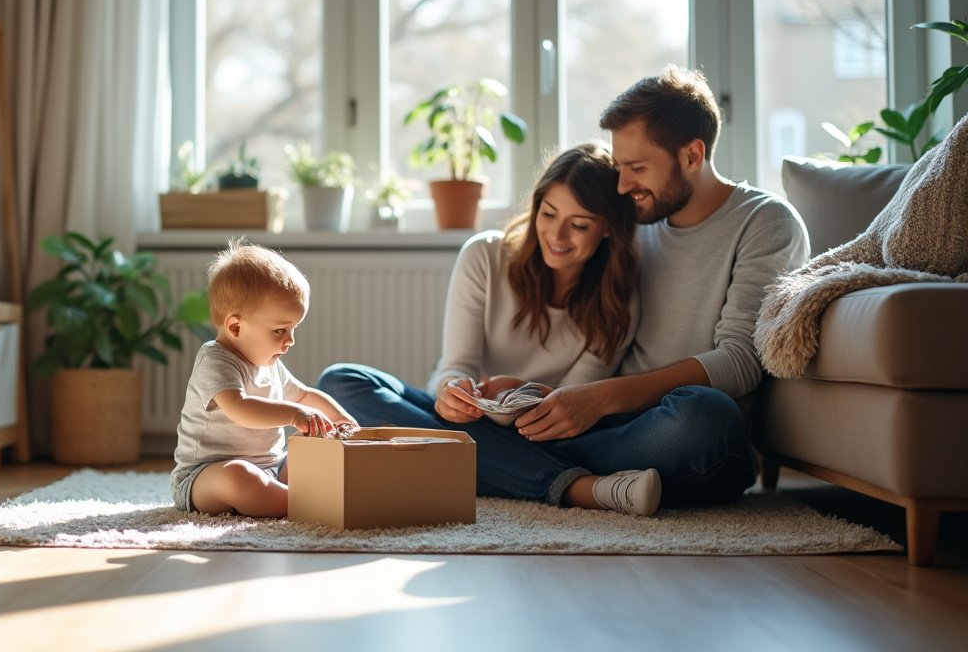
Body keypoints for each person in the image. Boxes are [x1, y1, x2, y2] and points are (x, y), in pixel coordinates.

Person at [319, 65, 809, 516]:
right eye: (619, 167)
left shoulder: (763, 223)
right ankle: (575, 484)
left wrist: (596, 399)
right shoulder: (635, 222)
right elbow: (523, 379)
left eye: (636, 167)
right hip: (589, 433)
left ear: (693, 155)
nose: (621, 186)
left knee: (703, 417)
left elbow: (741, 361)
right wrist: (530, 399)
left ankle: (489, 467)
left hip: (660, 435)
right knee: (344, 385)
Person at [319, 142, 662, 514]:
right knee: (341, 383)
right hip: (464, 423)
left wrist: (519, 394)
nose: (557, 236)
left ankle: (462, 469)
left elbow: (574, 405)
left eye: (579, 225)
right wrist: (453, 395)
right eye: (548, 214)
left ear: (609, 229)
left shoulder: (618, 297)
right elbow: (456, 365)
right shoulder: (484, 255)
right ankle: (579, 487)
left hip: (547, 435)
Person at [172, 240, 358, 518]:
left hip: (273, 466)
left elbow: (305, 395)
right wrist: (295, 415)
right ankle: (309, 504)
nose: (290, 340)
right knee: (239, 476)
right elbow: (241, 409)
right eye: (280, 330)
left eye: (294, 329)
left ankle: (304, 493)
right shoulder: (215, 360)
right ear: (235, 327)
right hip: (206, 476)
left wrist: (343, 420)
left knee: (314, 445)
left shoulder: (270, 364)